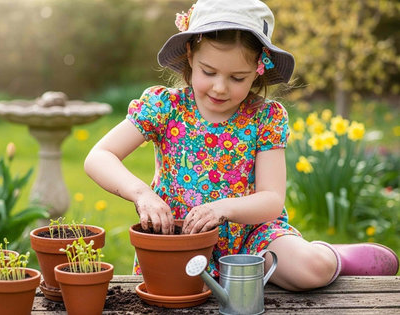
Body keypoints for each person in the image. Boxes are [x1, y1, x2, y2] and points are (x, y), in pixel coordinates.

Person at [85, 0, 398, 291]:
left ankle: (331, 256)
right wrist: (141, 194)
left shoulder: (264, 118)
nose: (220, 88)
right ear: (191, 56)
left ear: (259, 70)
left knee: (310, 270)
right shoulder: (165, 107)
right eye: (209, 72)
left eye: (237, 77)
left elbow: (272, 199)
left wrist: (224, 209)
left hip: (252, 236)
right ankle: (241, 278)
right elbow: (99, 156)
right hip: (180, 240)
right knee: (177, 291)